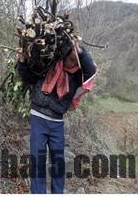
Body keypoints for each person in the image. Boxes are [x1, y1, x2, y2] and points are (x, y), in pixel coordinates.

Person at [18, 42, 97, 194]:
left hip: (56, 122)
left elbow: (91, 71)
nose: (72, 63)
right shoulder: (49, 63)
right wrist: (22, 61)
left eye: (76, 61)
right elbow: (29, 77)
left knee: (58, 163)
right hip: (38, 117)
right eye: (71, 59)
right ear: (65, 55)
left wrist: (80, 52)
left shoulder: (76, 76)